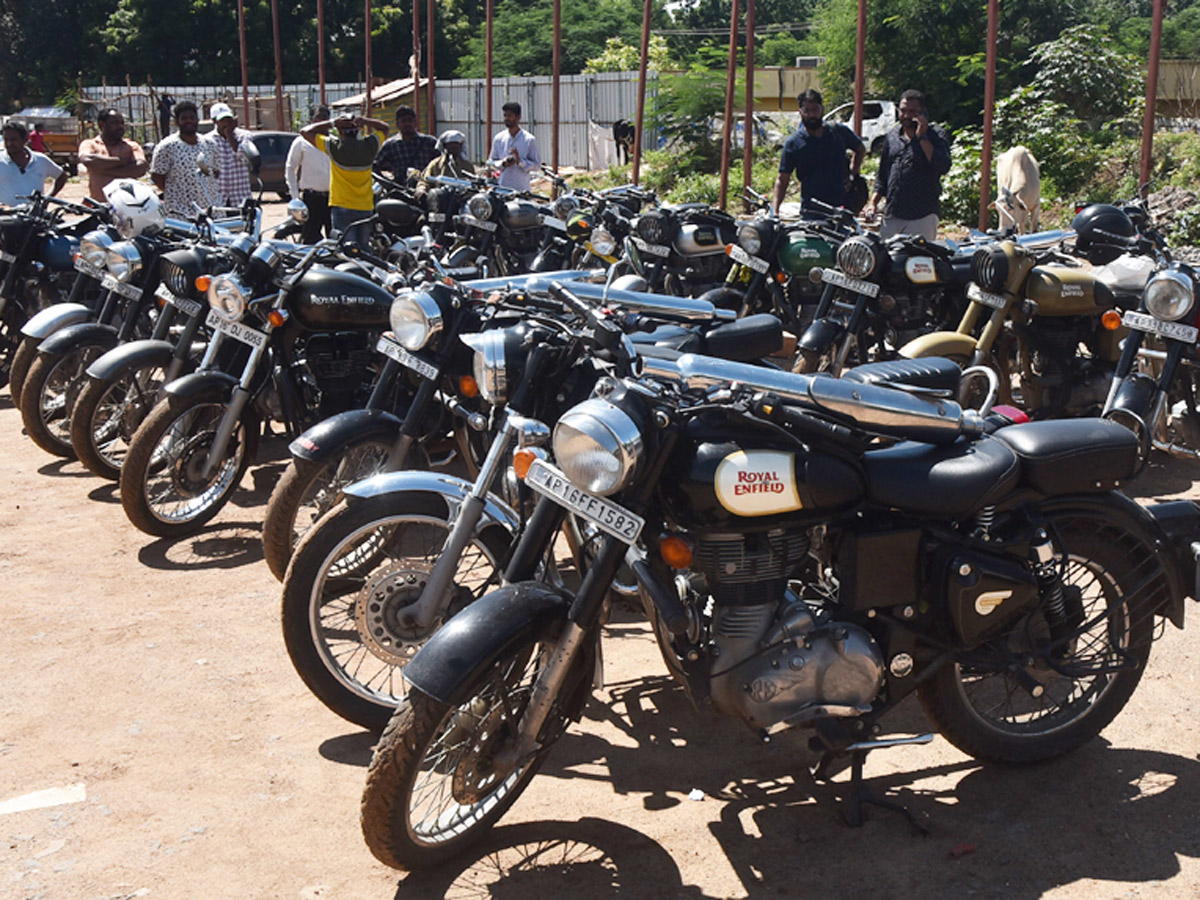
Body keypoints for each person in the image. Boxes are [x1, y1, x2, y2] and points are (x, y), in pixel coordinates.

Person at [864, 89, 952, 241]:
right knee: (888, 261)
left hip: (922, 215)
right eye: (903, 110)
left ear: (923, 112)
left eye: (912, 112)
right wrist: (873, 203)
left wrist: (922, 136)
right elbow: (883, 175)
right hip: (892, 214)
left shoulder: (935, 135)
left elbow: (943, 166)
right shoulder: (892, 136)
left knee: (916, 262)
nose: (906, 116)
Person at [300, 112, 390, 248]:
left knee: (346, 249)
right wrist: (365, 120)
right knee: (364, 249)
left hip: (342, 206)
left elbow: (305, 131)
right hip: (365, 207)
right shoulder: (369, 146)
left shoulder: (334, 147)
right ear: (359, 130)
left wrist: (333, 122)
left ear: (340, 131)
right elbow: (385, 128)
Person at [773, 89, 865, 213]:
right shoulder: (793, 144)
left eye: (815, 110)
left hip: (842, 209)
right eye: (807, 111)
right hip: (812, 212)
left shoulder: (839, 132)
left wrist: (853, 174)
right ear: (800, 112)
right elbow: (782, 179)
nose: (811, 115)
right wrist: (775, 211)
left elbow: (860, 149)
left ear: (822, 109)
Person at [149, 100, 219, 217]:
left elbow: (216, 172)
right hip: (180, 213)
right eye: (184, 118)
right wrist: (180, 192)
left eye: (192, 117)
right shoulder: (167, 146)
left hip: (209, 209)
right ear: (177, 121)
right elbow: (157, 176)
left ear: (197, 120)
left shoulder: (210, 144)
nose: (189, 121)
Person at [78, 108, 149, 202]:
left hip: (129, 206)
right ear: (101, 124)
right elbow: (88, 160)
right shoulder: (90, 144)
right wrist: (121, 161)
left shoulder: (131, 146)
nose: (120, 126)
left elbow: (140, 168)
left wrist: (103, 170)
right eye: (115, 123)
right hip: (101, 206)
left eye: (122, 123)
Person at [285, 106, 333, 243]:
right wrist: (295, 197)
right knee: (311, 238)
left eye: (325, 119)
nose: (321, 122)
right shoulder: (301, 142)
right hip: (311, 199)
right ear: (312, 120)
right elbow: (290, 168)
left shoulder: (334, 142)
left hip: (333, 198)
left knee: (335, 239)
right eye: (318, 118)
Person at [0, 121, 66, 208]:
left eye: (13, 140)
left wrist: (47, 198)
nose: (9, 144)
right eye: (6, 140)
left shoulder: (41, 160)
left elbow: (61, 176)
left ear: (25, 139)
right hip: (7, 218)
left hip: (36, 217)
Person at [374, 105, 437, 184]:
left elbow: (441, 163)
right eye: (403, 121)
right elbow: (375, 166)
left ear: (415, 122)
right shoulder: (390, 145)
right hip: (401, 189)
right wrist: (387, 182)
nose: (407, 124)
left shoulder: (429, 142)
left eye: (410, 120)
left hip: (426, 186)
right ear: (397, 124)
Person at [208, 102, 254, 207]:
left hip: (240, 197)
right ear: (214, 121)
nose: (226, 123)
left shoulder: (244, 136)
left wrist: (229, 135)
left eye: (229, 119)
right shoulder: (208, 140)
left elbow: (245, 158)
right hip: (218, 199)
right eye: (222, 120)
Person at [487, 101, 541, 192]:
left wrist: (519, 161)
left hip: (522, 189)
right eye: (505, 115)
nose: (507, 118)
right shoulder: (499, 138)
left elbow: (537, 165)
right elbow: (490, 163)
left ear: (518, 117)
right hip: (503, 188)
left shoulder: (528, 139)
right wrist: (503, 163)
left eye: (510, 115)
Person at [415, 130, 471, 199]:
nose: (453, 150)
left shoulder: (467, 165)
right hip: (438, 200)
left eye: (456, 146)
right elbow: (424, 181)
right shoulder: (435, 164)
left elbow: (473, 184)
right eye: (451, 146)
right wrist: (421, 190)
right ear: (445, 146)